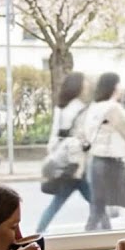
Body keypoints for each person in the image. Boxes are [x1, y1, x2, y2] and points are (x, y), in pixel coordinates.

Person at [82, 73, 125, 231]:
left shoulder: (93, 107)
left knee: (97, 207)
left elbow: (87, 133)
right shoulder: (113, 107)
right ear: (114, 87)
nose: (121, 88)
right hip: (112, 162)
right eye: (119, 84)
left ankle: (89, 240)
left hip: (96, 161)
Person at [37, 72, 93, 233]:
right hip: (76, 163)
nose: (87, 85)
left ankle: (39, 232)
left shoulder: (60, 108)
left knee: (58, 203)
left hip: (64, 162)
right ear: (79, 86)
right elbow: (84, 137)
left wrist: (56, 156)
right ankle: (100, 229)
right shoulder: (82, 109)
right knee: (94, 201)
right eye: (85, 82)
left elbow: (54, 137)